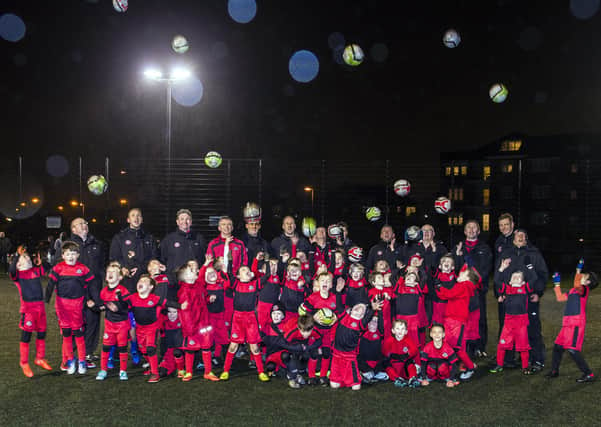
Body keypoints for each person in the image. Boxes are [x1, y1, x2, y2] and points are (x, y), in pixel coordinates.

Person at [494, 228, 548, 372]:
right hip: (509, 300)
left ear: (526, 238)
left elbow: (542, 275)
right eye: (517, 235)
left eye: (523, 235)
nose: (520, 237)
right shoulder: (505, 254)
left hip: (528, 299)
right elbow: (498, 273)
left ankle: (536, 359)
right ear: (513, 239)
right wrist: (499, 293)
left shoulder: (534, 254)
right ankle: (508, 359)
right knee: (507, 330)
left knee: (532, 329)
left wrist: (538, 292)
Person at [118, 274, 185, 383]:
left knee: (150, 348)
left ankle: (155, 373)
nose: (141, 282)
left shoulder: (154, 299)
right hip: (140, 329)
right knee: (144, 350)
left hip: (152, 328)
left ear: (151, 287)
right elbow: (123, 306)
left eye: (144, 281)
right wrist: (119, 298)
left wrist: (180, 306)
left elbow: (167, 303)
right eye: (140, 280)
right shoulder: (133, 297)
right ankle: (152, 366)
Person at [45, 241, 96, 375]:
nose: (71, 257)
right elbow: (50, 284)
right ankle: (70, 361)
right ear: (63, 255)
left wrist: (95, 300)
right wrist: (46, 298)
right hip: (62, 306)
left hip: (77, 306)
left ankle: (82, 361)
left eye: (73, 254)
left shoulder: (83, 269)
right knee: (67, 335)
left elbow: (91, 285)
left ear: (78, 255)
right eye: (68, 254)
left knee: (79, 334)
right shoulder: (58, 268)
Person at [546, 260, 597, 383]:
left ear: (588, 282)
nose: (581, 276)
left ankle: (588, 374)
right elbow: (560, 298)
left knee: (572, 349)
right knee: (558, 347)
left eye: (584, 276)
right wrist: (557, 283)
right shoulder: (573, 291)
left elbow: (577, 284)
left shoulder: (583, 290)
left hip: (576, 324)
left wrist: (578, 270)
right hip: (567, 323)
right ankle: (554, 371)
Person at [219, 266, 270, 382]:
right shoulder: (235, 284)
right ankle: (225, 370)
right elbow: (228, 272)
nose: (246, 271)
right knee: (233, 346)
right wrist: (230, 259)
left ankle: (261, 372)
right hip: (237, 318)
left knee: (254, 347)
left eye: (248, 269)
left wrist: (266, 260)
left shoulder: (255, 284)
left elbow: (267, 276)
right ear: (238, 276)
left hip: (251, 318)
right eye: (243, 270)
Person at [453, 220, 492, 358]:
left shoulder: (485, 248)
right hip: (461, 292)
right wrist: (457, 255)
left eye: (474, 227)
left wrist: (473, 281)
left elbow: (486, 269)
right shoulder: (459, 247)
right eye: (468, 227)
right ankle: (462, 346)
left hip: (477, 290)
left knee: (479, 319)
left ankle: (479, 347)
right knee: (463, 319)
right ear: (464, 231)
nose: (471, 230)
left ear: (478, 231)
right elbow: (454, 268)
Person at [10, 250, 52, 377]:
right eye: (24, 257)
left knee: (42, 333)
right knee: (26, 336)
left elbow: (48, 267)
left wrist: (41, 263)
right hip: (28, 310)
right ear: (18, 264)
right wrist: (17, 256)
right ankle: (24, 362)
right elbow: (11, 269)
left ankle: (39, 358)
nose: (27, 258)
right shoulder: (18, 275)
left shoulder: (35, 271)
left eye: (28, 256)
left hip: (40, 308)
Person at [69, 217, 104, 367]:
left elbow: (101, 266)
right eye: (80, 224)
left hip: (94, 289)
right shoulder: (68, 245)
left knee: (92, 322)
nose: (84, 225)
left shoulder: (97, 244)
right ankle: (70, 354)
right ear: (73, 229)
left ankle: (88, 353)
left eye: (85, 223)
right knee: (75, 323)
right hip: (75, 291)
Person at [176, 261, 219, 382]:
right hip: (192, 327)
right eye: (191, 270)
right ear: (185, 278)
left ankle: (208, 371)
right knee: (190, 348)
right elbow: (184, 312)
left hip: (204, 323)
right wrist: (189, 328)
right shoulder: (184, 291)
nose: (195, 270)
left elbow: (204, 297)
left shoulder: (199, 284)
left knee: (206, 347)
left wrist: (209, 298)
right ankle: (189, 371)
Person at [435, 266, 479, 380]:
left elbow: (449, 294)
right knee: (447, 344)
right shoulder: (460, 286)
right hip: (450, 319)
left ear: (467, 278)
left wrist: (440, 286)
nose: (458, 276)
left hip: (457, 321)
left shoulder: (465, 286)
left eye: (461, 274)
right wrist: (438, 288)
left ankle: (470, 367)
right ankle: (445, 369)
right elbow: (445, 295)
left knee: (458, 348)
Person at [329, 299, 383, 390]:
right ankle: (343, 378)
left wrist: (373, 309)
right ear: (351, 309)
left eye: (362, 308)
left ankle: (360, 376)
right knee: (334, 386)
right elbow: (339, 305)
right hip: (336, 356)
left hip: (349, 357)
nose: (359, 307)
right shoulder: (343, 316)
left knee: (356, 387)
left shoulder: (360, 324)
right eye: (357, 306)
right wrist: (338, 291)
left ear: (363, 315)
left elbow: (368, 318)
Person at [489, 271, 535, 375]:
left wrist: (529, 268)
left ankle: (525, 367)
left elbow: (534, 278)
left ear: (523, 282)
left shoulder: (524, 289)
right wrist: (501, 269)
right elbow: (496, 281)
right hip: (508, 322)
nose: (515, 278)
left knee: (523, 346)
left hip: (521, 322)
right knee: (502, 345)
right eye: (513, 276)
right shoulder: (507, 289)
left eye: (518, 277)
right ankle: (499, 365)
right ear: (510, 281)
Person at [94, 263, 130, 381]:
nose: (110, 274)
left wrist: (118, 307)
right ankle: (103, 370)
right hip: (109, 324)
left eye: (113, 272)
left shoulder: (123, 291)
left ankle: (123, 371)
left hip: (122, 324)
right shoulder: (103, 291)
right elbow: (102, 306)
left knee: (122, 348)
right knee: (105, 347)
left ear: (120, 277)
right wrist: (96, 306)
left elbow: (127, 307)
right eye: (108, 271)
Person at [109, 208, 159, 293]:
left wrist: (141, 268)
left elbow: (154, 258)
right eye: (133, 216)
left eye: (138, 216)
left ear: (142, 219)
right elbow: (114, 257)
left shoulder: (149, 238)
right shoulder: (120, 237)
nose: (136, 218)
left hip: (144, 277)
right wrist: (123, 268)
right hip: (126, 278)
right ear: (128, 220)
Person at [494, 213, 516, 365]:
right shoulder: (499, 241)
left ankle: (521, 354)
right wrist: (498, 291)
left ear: (512, 224)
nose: (504, 227)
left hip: (516, 290)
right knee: (504, 324)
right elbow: (498, 267)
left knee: (518, 324)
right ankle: (505, 356)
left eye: (506, 224)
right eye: (501, 225)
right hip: (503, 289)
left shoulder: (518, 239)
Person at [160, 209, 206, 277]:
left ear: (191, 222)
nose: (185, 221)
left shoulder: (199, 238)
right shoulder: (169, 239)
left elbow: (203, 258)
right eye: (182, 219)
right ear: (177, 222)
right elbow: (163, 259)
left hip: (194, 277)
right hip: (175, 277)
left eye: (187, 219)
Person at [381, 319, 420, 388]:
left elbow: (415, 350)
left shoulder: (408, 340)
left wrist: (407, 354)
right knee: (386, 363)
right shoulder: (389, 341)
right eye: (398, 329)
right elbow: (384, 351)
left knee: (410, 362)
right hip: (393, 366)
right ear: (393, 331)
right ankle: (397, 379)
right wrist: (392, 355)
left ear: (406, 331)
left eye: (402, 329)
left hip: (403, 367)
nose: (400, 331)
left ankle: (413, 378)